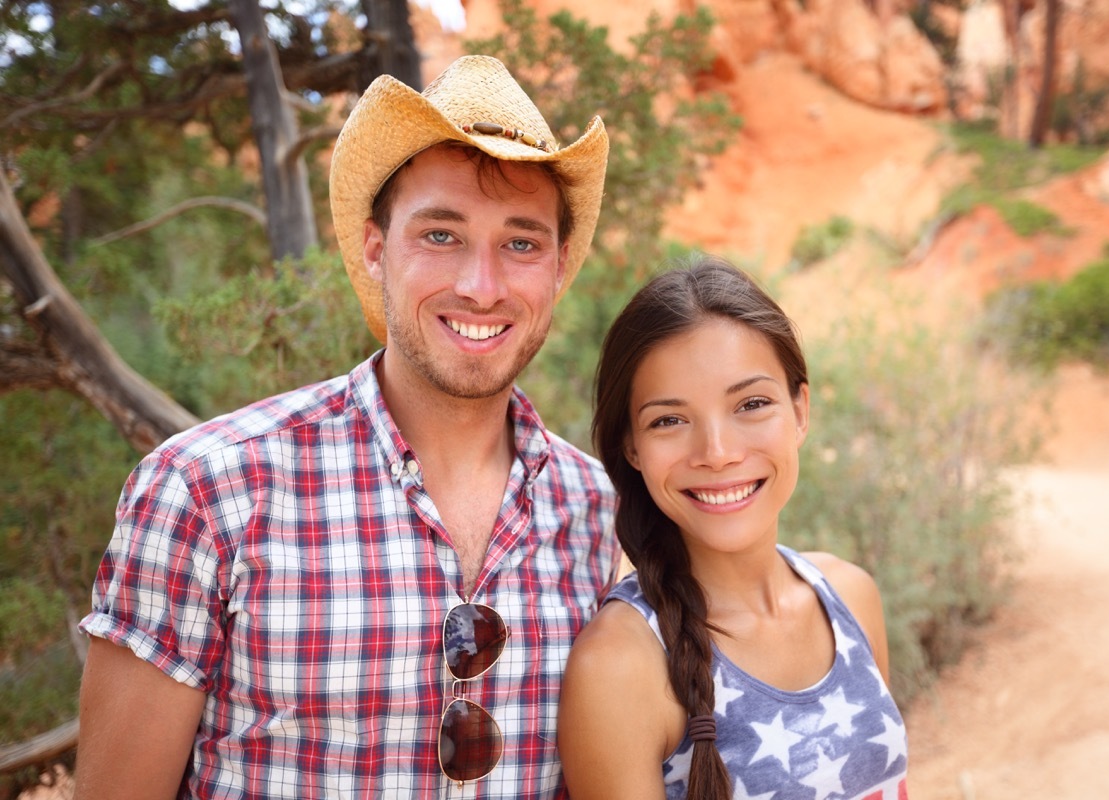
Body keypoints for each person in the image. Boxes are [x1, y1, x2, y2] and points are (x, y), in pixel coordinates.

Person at [74, 55, 621, 798]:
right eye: (441, 235)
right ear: (374, 248)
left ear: (558, 269)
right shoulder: (206, 492)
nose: (480, 285)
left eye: (520, 243)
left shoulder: (599, 516)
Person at [558, 256, 908, 800]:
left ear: (800, 410)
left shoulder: (851, 595)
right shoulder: (621, 665)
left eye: (751, 403)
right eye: (669, 420)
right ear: (631, 446)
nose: (717, 453)